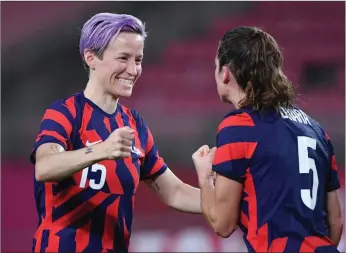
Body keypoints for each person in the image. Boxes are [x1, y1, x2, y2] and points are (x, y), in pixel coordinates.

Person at [30, 13, 201, 253]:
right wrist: (101, 150)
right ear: (91, 57)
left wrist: (227, 202)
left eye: (138, 60)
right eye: (123, 58)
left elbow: (174, 192)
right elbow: (45, 166)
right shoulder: (65, 113)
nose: (133, 70)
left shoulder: (135, 125)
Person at [192, 27, 343, 252]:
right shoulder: (317, 129)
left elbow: (222, 224)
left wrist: (205, 177)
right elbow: (335, 224)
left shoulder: (238, 126)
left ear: (225, 72)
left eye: (215, 66)